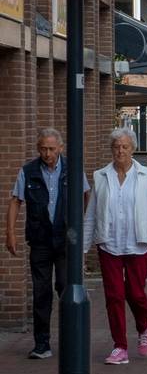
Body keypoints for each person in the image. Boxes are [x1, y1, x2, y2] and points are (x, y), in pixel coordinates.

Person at [83, 128, 147, 365]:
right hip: (109, 243)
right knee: (114, 296)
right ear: (111, 150)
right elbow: (91, 214)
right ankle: (119, 346)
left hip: (138, 243)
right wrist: (83, 247)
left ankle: (144, 327)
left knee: (135, 293)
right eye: (116, 147)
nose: (120, 151)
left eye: (125, 147)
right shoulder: (101, 176)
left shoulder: (146, 176)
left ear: (133, 149)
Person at [5, 128, 90, 359]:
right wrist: (10, 232)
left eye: (52, 149)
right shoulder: (28, 171)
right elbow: (15, 201)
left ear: (60, 148)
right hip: (40, 239)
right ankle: (42, 344)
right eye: (43, 148)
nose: (47, 153)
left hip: (64, 240)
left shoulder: (72, 168)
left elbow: (85, 196)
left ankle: (70, 340)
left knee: (65, 286)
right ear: (38, 148)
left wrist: (79, 226)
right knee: (41, 292)